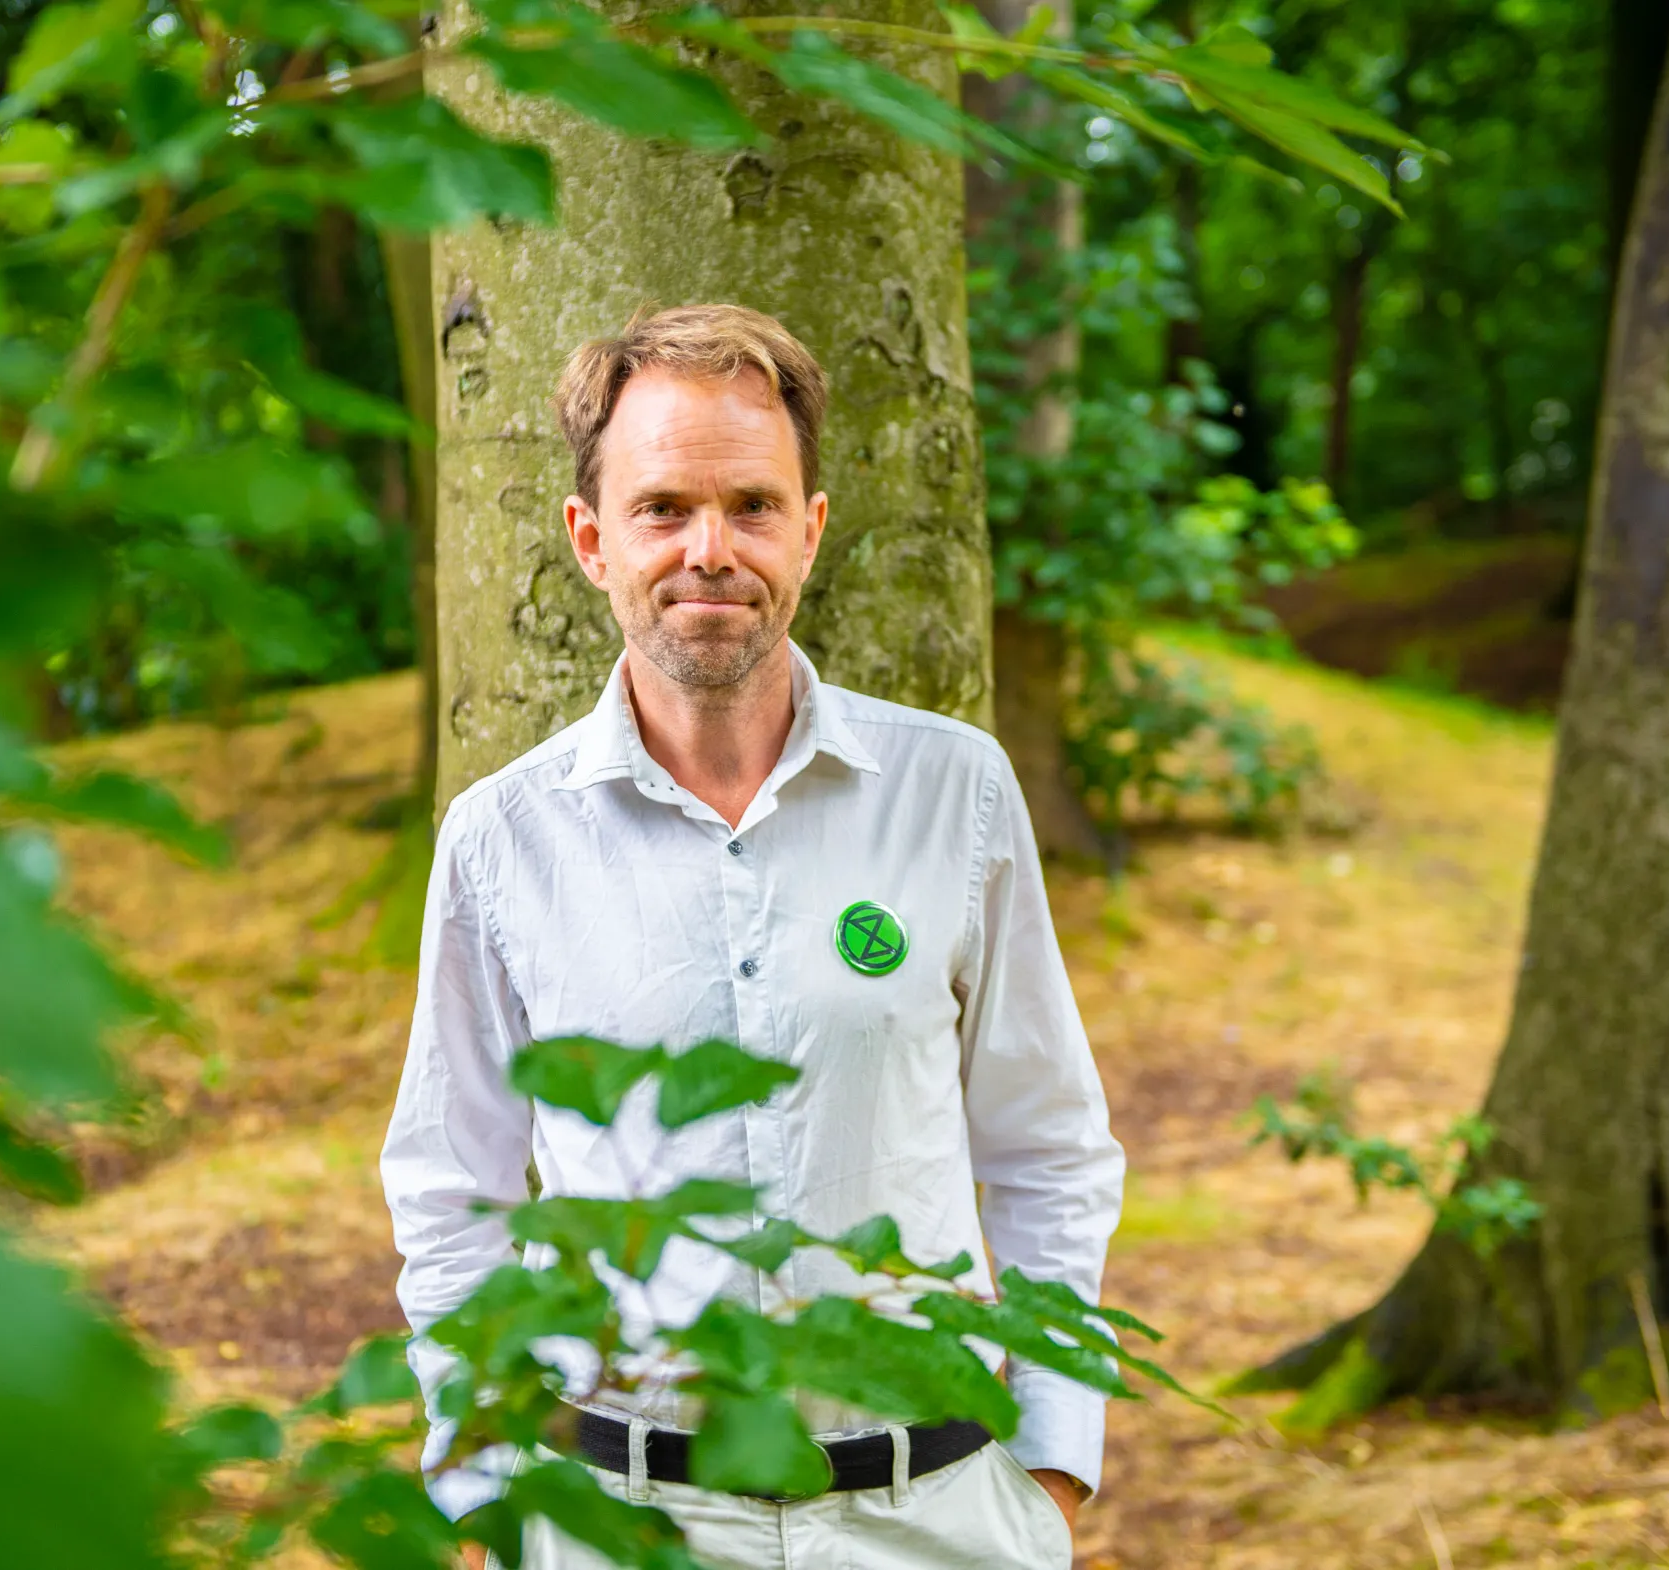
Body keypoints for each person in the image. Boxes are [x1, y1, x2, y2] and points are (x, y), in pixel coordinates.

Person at [380, 303, 1124, 1570]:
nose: (709, 550)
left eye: (753, 506)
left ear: (811, 529)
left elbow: (1045, 1145)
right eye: (662, 507)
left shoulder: (957, 792)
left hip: (934, 1520)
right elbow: (455, 1192)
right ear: (589, 540)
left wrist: (1049, 1470)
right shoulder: (499, 841)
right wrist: (483, 1494)